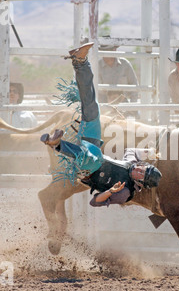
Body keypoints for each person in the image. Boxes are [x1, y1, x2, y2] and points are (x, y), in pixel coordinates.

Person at [40, 42, 161, 207]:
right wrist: (150, 152)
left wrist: (110, 192)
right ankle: (80, 62)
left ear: (140, 183)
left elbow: (94, 202)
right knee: (92, 107)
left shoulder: (125, 192)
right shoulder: (131, 163)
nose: (139, 170)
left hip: (87, 172)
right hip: (94, 147)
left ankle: (57, 145)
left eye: (141, 174)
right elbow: (132, 151)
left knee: (92, 159)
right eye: (142, 168)